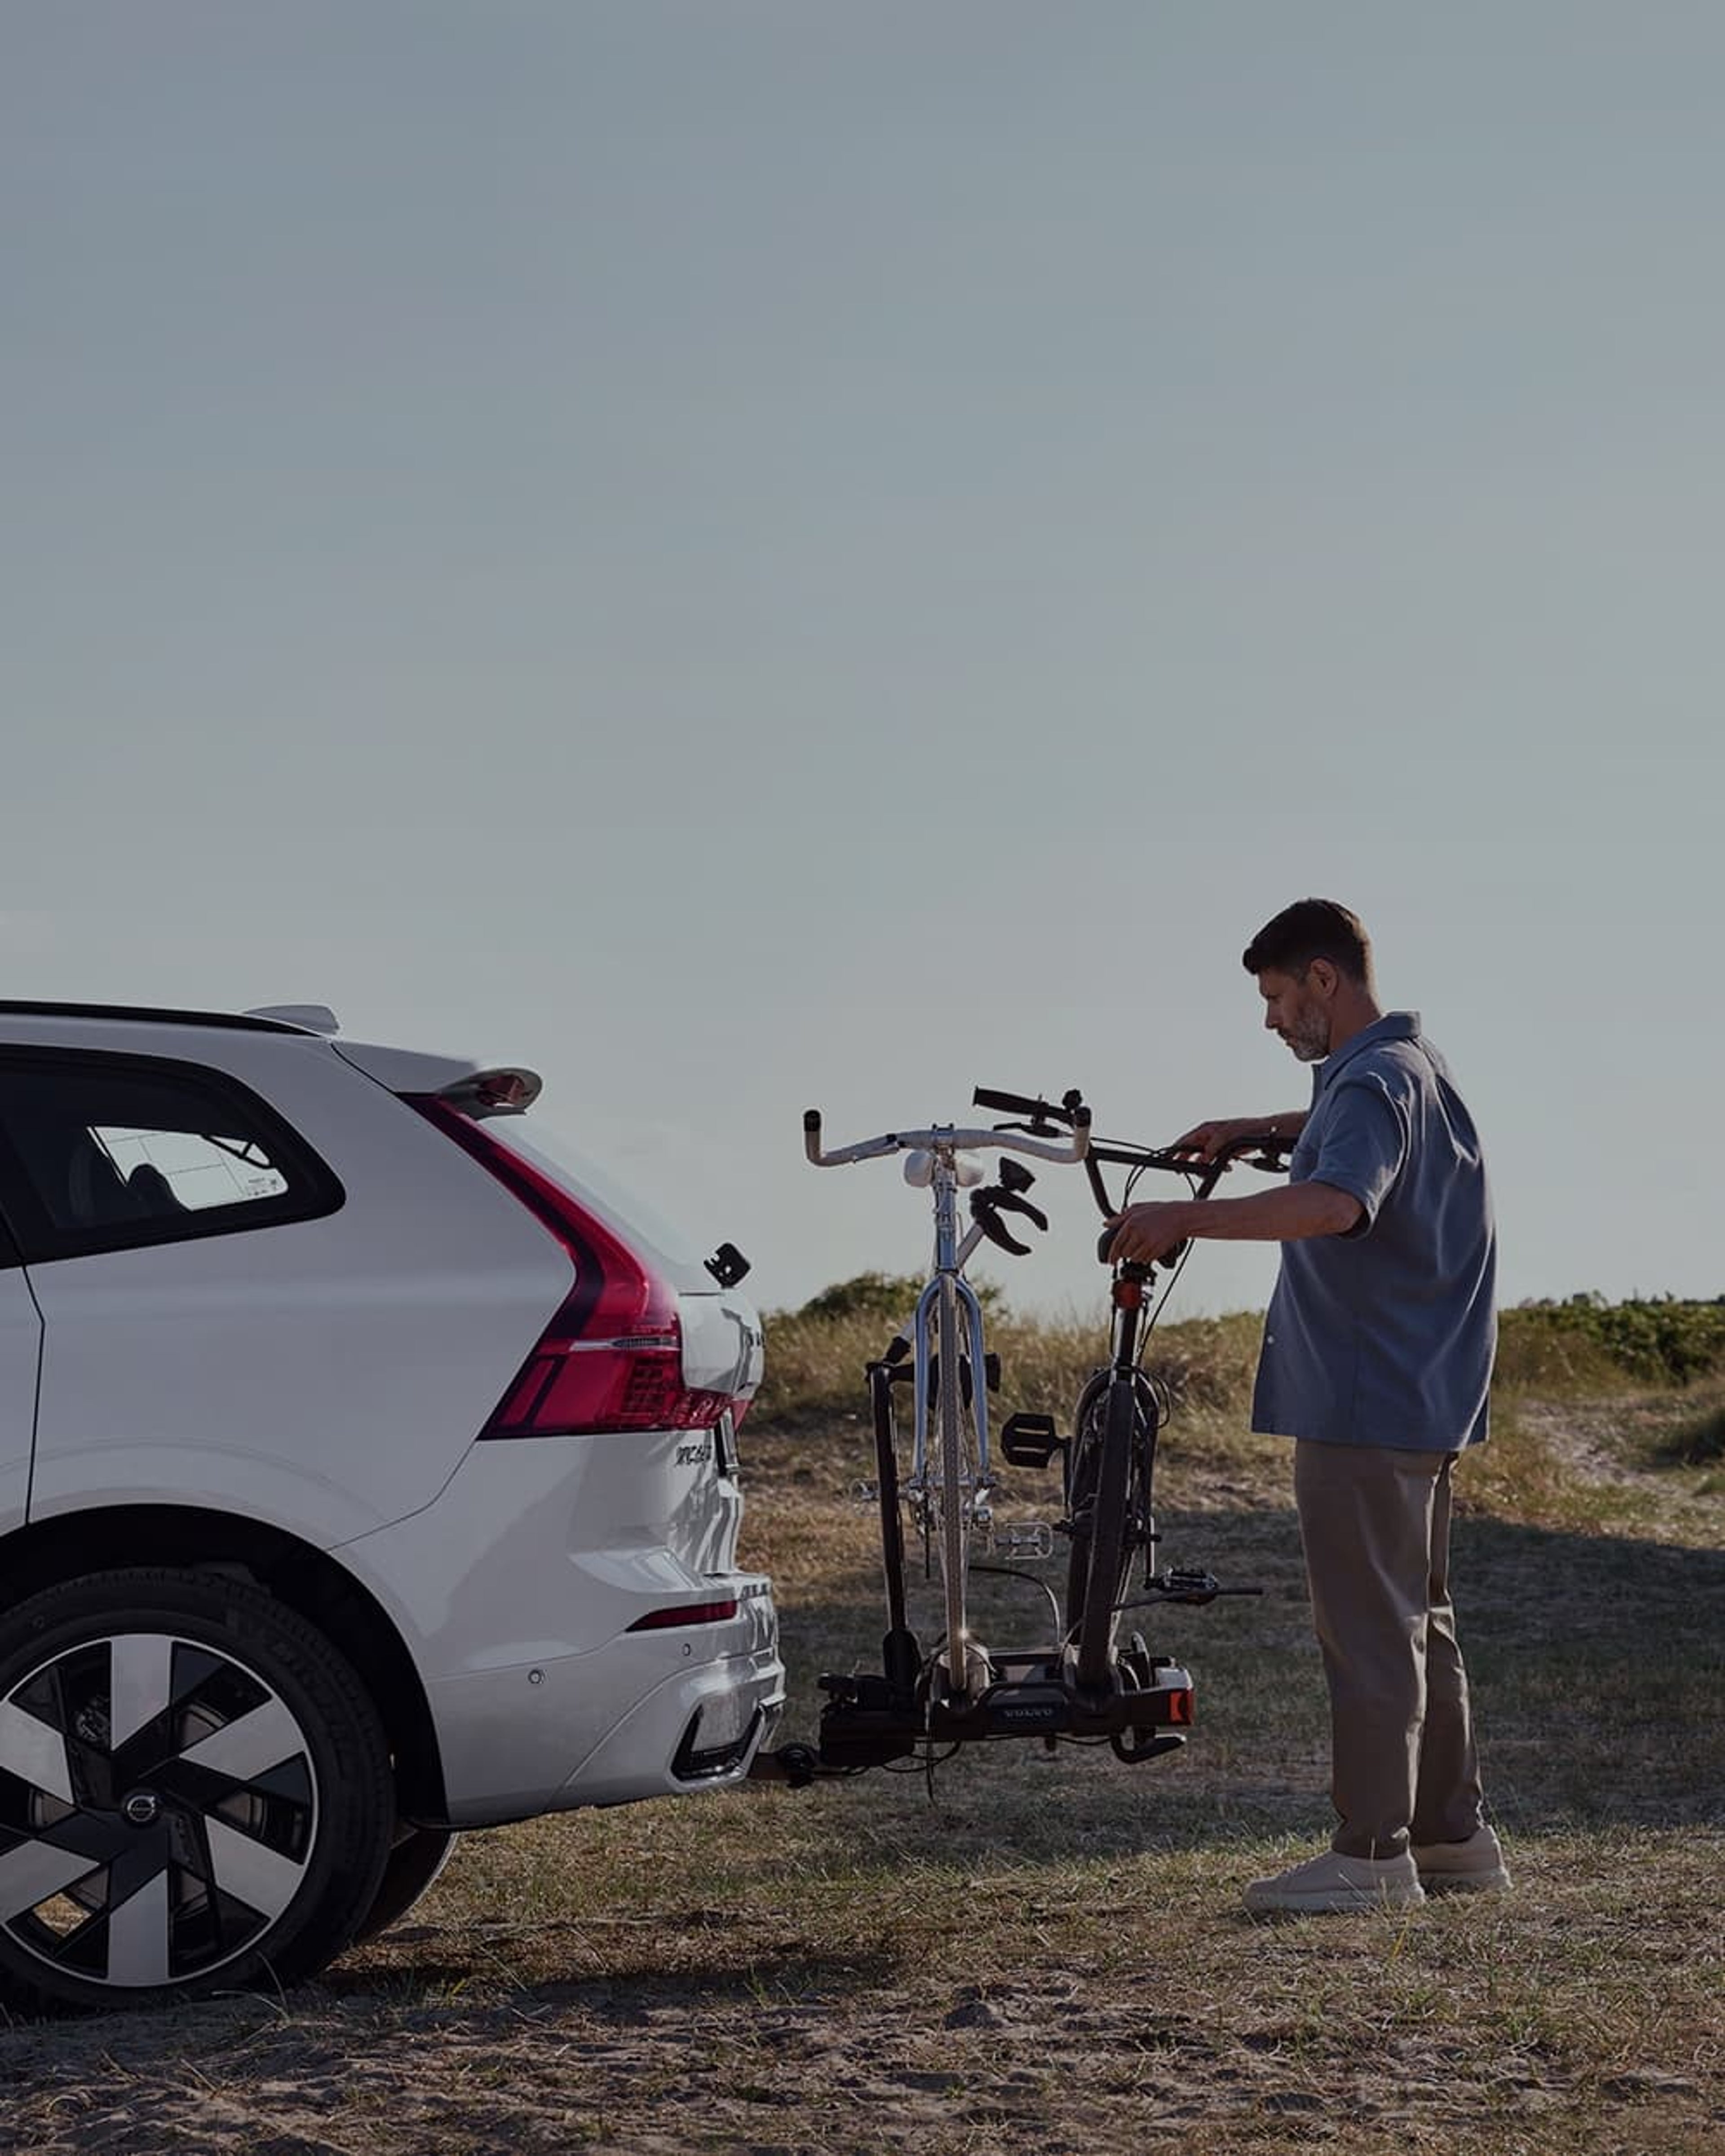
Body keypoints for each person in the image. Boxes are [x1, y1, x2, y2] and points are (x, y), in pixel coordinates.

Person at [1106, 898, 1508, 1913]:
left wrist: (1181, 1215)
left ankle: (1372, 1858)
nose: (1273, 1020)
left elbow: (1339, 1203)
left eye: (1280, 997)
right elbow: (1352, 1134)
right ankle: (1452, 1839)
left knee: (1370, 1631)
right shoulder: (1410, 1067)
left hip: (1364, 1402)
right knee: (1425, 1623)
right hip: (1425, 1396)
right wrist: (1258, 1128)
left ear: (1324, 979)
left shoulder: (1370, 1083)